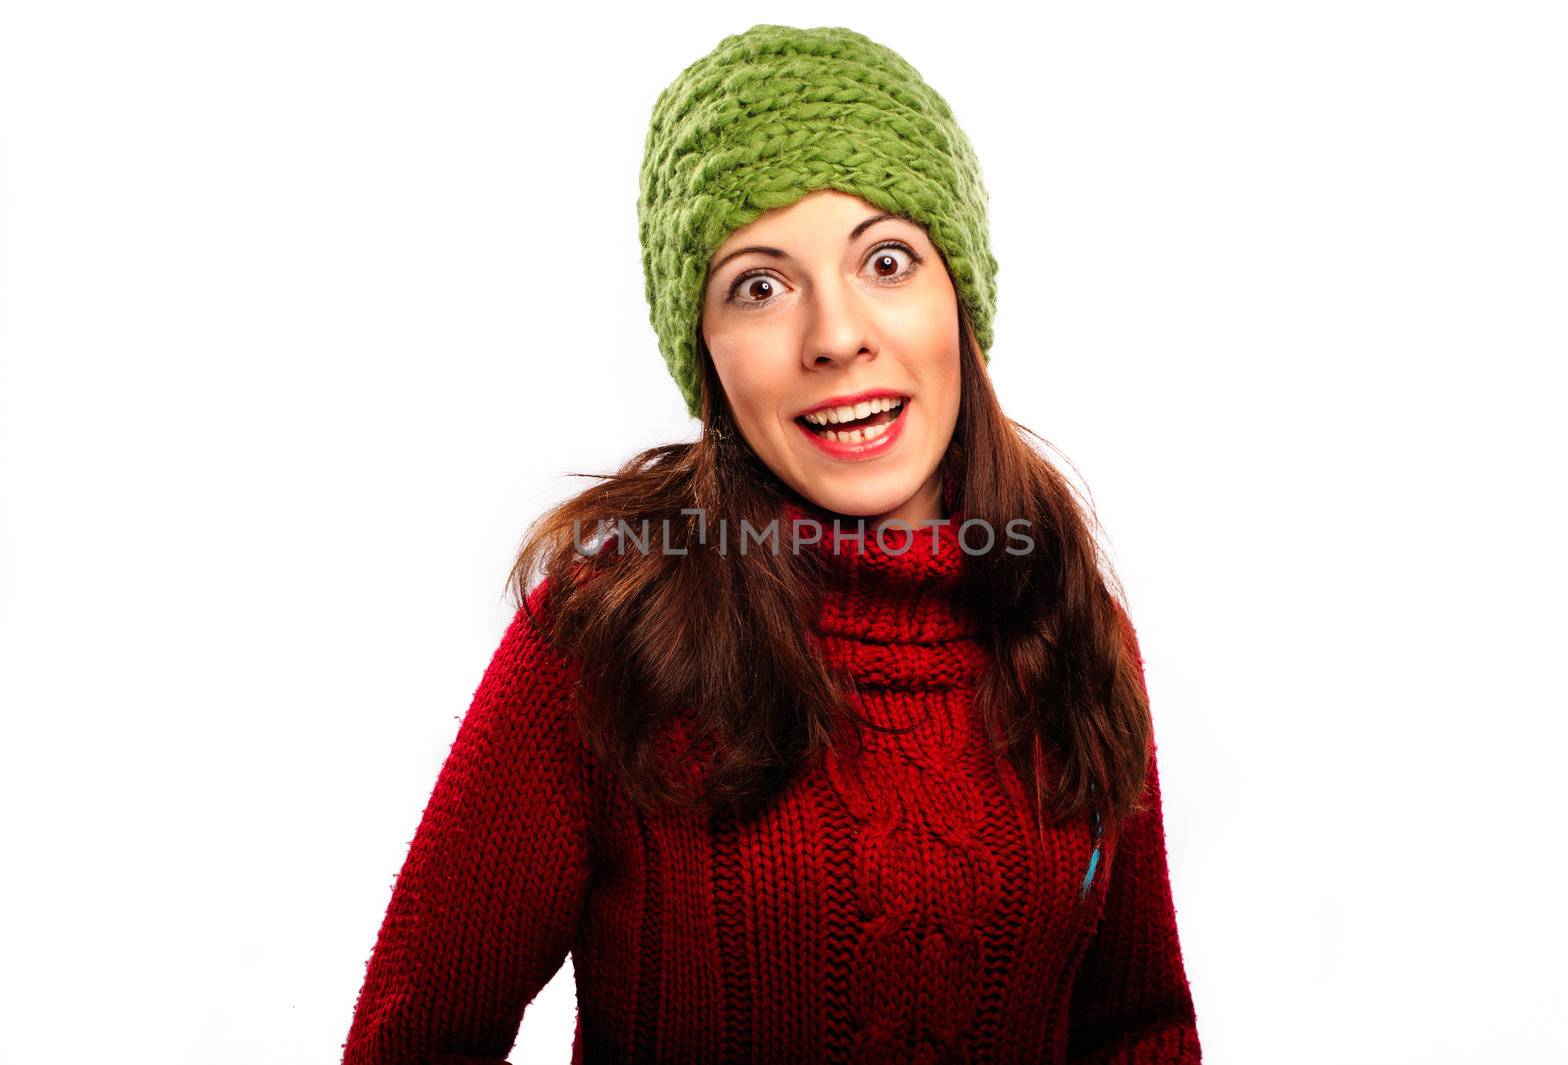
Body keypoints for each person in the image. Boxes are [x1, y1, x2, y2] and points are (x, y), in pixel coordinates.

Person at [341, 23, 1201, 1064]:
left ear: (959, 301)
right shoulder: (607, 639)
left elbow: (1137, 1031)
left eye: (887, 259)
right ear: (704, 353)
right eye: (759, 284)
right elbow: (414, 1042)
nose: (835, 335)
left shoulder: (1069, 620)